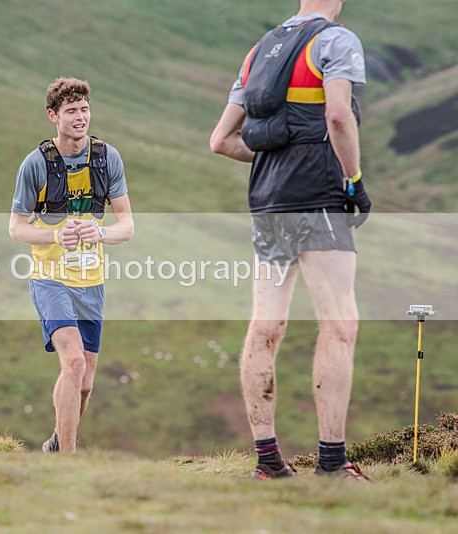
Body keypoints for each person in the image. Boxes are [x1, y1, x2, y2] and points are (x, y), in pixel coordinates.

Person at [209, 0, 372, 481]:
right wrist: (354, 180)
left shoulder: (260, 49)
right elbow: (338, 118)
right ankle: (331, 463)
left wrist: (272, 163)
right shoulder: (336, 40)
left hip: (267, 204)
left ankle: (267, 462)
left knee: (266, 325)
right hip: (320, 198)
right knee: (340, 325)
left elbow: (220, 140)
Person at [9, 78, 134, 454]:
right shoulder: (36, 164)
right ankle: (69, 460)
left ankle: (57, 443)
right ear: (53, 116)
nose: (80, 118)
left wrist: (102, 235)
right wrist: (54, 236)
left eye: (84, 110)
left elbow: (126, 224)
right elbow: (15, 228)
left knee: (84, 382)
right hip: (50, 279)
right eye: (71, 111)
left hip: (91, 280)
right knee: (74, 361)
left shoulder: (106, 157)